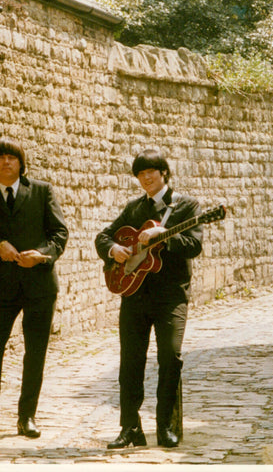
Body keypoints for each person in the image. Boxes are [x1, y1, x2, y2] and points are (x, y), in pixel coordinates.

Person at [0, 138, 68, 440]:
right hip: (2, 287)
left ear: (21, 163)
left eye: (12, 158)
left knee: (35, 353)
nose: (7, 163)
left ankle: (27, 417)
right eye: (1, 158)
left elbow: (60, 232)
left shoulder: (42, 191)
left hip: (39, 285)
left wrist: (42, 255)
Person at [95, 149, 202, 449]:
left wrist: (166, 235)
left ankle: (165, 425)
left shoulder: (186, 206)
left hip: (171, 296)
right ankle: (130, 427)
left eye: (151, 172)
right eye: (140, 174)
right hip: (134, 294)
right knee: (130, 362)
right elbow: (103, 236)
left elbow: (194, 245)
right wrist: (112, 250)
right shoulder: (133, 209)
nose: (146, 178)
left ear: (164, 173)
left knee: (170, 357)